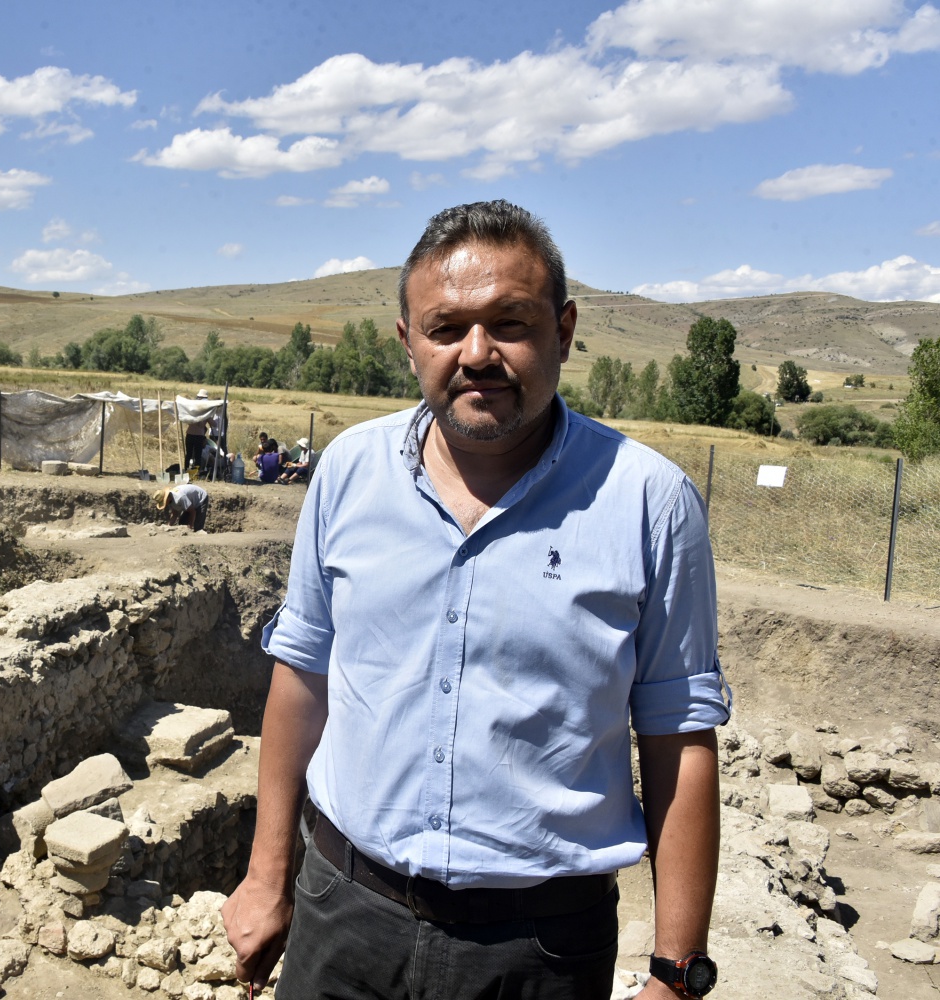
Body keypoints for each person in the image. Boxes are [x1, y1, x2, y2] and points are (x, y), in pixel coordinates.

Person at [222, 201, 728, 1000]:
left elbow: (678, 739)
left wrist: (676, 974)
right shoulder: (349, 472)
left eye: (510, 323)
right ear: (407, 341)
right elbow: (303, 676)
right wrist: (266, 874)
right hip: (345, 912)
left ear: (563, 331)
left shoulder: (648, 503)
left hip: (541, 950)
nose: (477, 353)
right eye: (447, 327)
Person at [184, 389, 213, 472]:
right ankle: (195, 472)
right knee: (196, 455)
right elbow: (214, 424)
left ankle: (188, 470)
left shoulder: (193, 410)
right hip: (198, 436)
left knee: (190, 454)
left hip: (191, 434)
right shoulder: (204, 412)